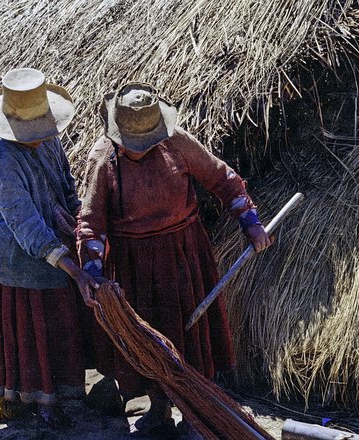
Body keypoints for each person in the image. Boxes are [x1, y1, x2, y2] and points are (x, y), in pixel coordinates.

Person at [77, 82, 272, 435]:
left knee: (192, 336)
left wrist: (251, 222)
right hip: (133, 263)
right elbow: (92, 221)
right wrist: (92, 272)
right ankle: (160, 408)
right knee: (148, 339)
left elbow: (221, 177)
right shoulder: (103, 158)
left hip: (184, 255)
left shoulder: (177, 142)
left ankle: (195, 413)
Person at [0, 67, 101, 428]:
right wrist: (74, 270)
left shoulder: (46, 135)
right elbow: (25, 225)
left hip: (50, 239)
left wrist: (79, 221)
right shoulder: (1, 161)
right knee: (31, 328)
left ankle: (58, 391)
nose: (39, 138)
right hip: (12, 254)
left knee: (55, 321)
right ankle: (38, 401)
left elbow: (65, 181)